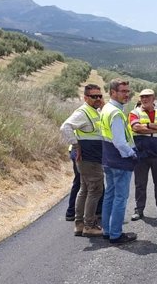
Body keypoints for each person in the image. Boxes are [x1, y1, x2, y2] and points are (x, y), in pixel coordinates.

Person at [60, 84, 105, 237]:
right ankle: (89, 225)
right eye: (94, 96)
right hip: (89, 158)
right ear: (86, 98)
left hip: (91, 157)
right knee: (95, 190)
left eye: (100, 95)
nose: (98, 98)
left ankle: (80, 224)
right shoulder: (83, 112)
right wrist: (75, 144)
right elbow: (65, 127)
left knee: (84, 190)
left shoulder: (93, 111)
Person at [99, 78, 138, 244]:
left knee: (110, 195)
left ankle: (107, 231)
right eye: (122, 91)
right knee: (120, 198)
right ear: (112, 92)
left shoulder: (106, 109)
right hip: (120, 160)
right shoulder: (115, 113)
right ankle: (116, 234)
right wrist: (132, 154)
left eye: (127, 91)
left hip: (108, 158)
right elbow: (120, 142)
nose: (126, 94)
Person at [129, 89, 157, 220]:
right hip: (141, 152)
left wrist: (145, 126)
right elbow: (136, 128)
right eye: (142, 97)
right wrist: (154, 126)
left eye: (147, 97)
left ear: (154, 98)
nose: (144, 99)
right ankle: (139, 210)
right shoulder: (134, 112)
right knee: (140, 183)